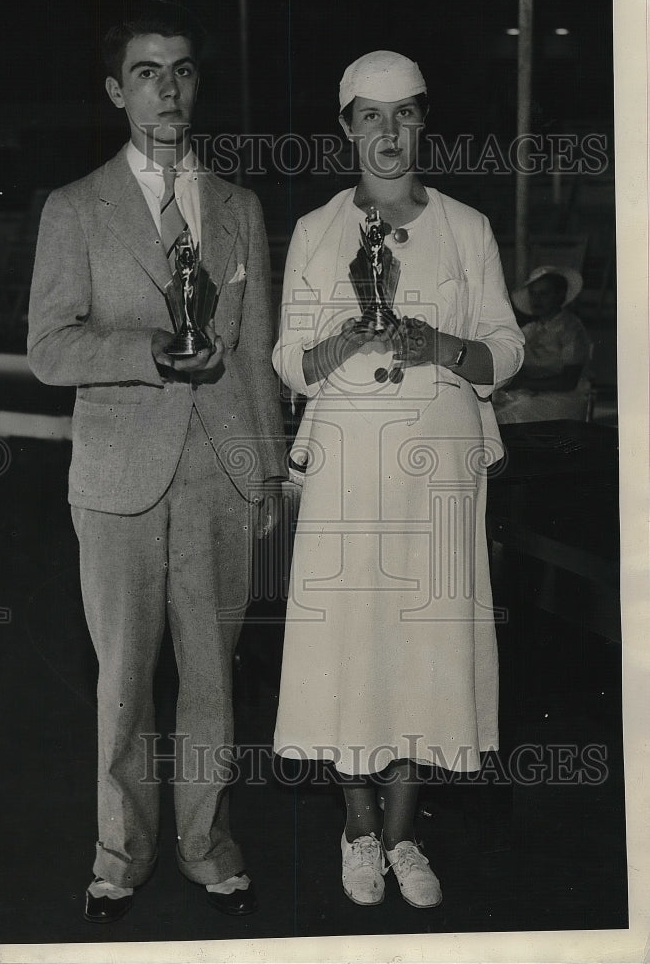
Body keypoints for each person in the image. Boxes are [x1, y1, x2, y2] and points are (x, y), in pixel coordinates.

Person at [27, 0, 285, 922]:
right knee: (125, 682)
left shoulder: (242, 208)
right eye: (145, 71)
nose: (166, 86)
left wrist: (268, 473)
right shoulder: (74, 209)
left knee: (213, 677)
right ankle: (119, 853)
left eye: (180, 69)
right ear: (115, 91)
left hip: (220, 470)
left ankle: (207, 844)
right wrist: (144, 354)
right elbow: (50, 350)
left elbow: (253, 352)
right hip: (117, 482)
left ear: (194, 84)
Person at [272, 51, 524, 910]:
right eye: (369, 116)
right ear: (344, 127)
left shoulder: (467, 227)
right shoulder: (314, 230)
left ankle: (405, 829)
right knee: (350, 640)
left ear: (423, 123)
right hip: (347, 464)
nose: (387, 133)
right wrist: (345, 339)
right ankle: (357, 828)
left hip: (440, 474)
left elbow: (506, 348)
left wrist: (443, 347)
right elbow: (287, 361)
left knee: (424, 645)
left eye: (404, 115)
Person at [493, 265, 591, 424]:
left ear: (560, 295)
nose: (536, 299)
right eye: (533, 294)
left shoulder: (571, 329)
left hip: (564, 399)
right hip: (531, 394)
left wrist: (521, 383)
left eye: (544, 293)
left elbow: (568, 381)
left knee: (508, 417)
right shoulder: (528, 330)